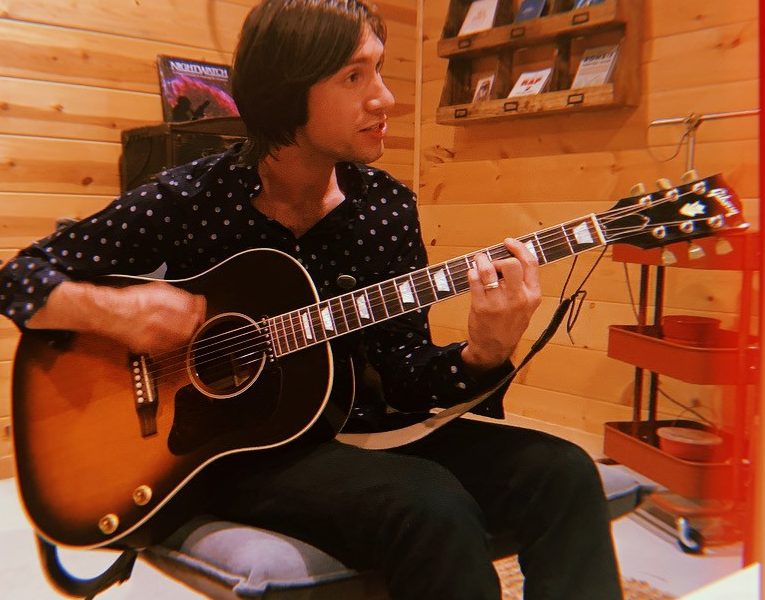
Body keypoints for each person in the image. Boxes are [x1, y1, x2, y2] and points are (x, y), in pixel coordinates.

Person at [0, 1, 623, 598]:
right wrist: (119, 313)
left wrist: (483, 353)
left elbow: (405, 373)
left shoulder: (384, 207)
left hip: (362, 429)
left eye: (380, 69)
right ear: (286, 92)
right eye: (355, 76)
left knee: (562, 472)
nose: (385, 97)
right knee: (428, 506)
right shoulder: (189, 198)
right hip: (229, 451)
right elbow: (19, 278)